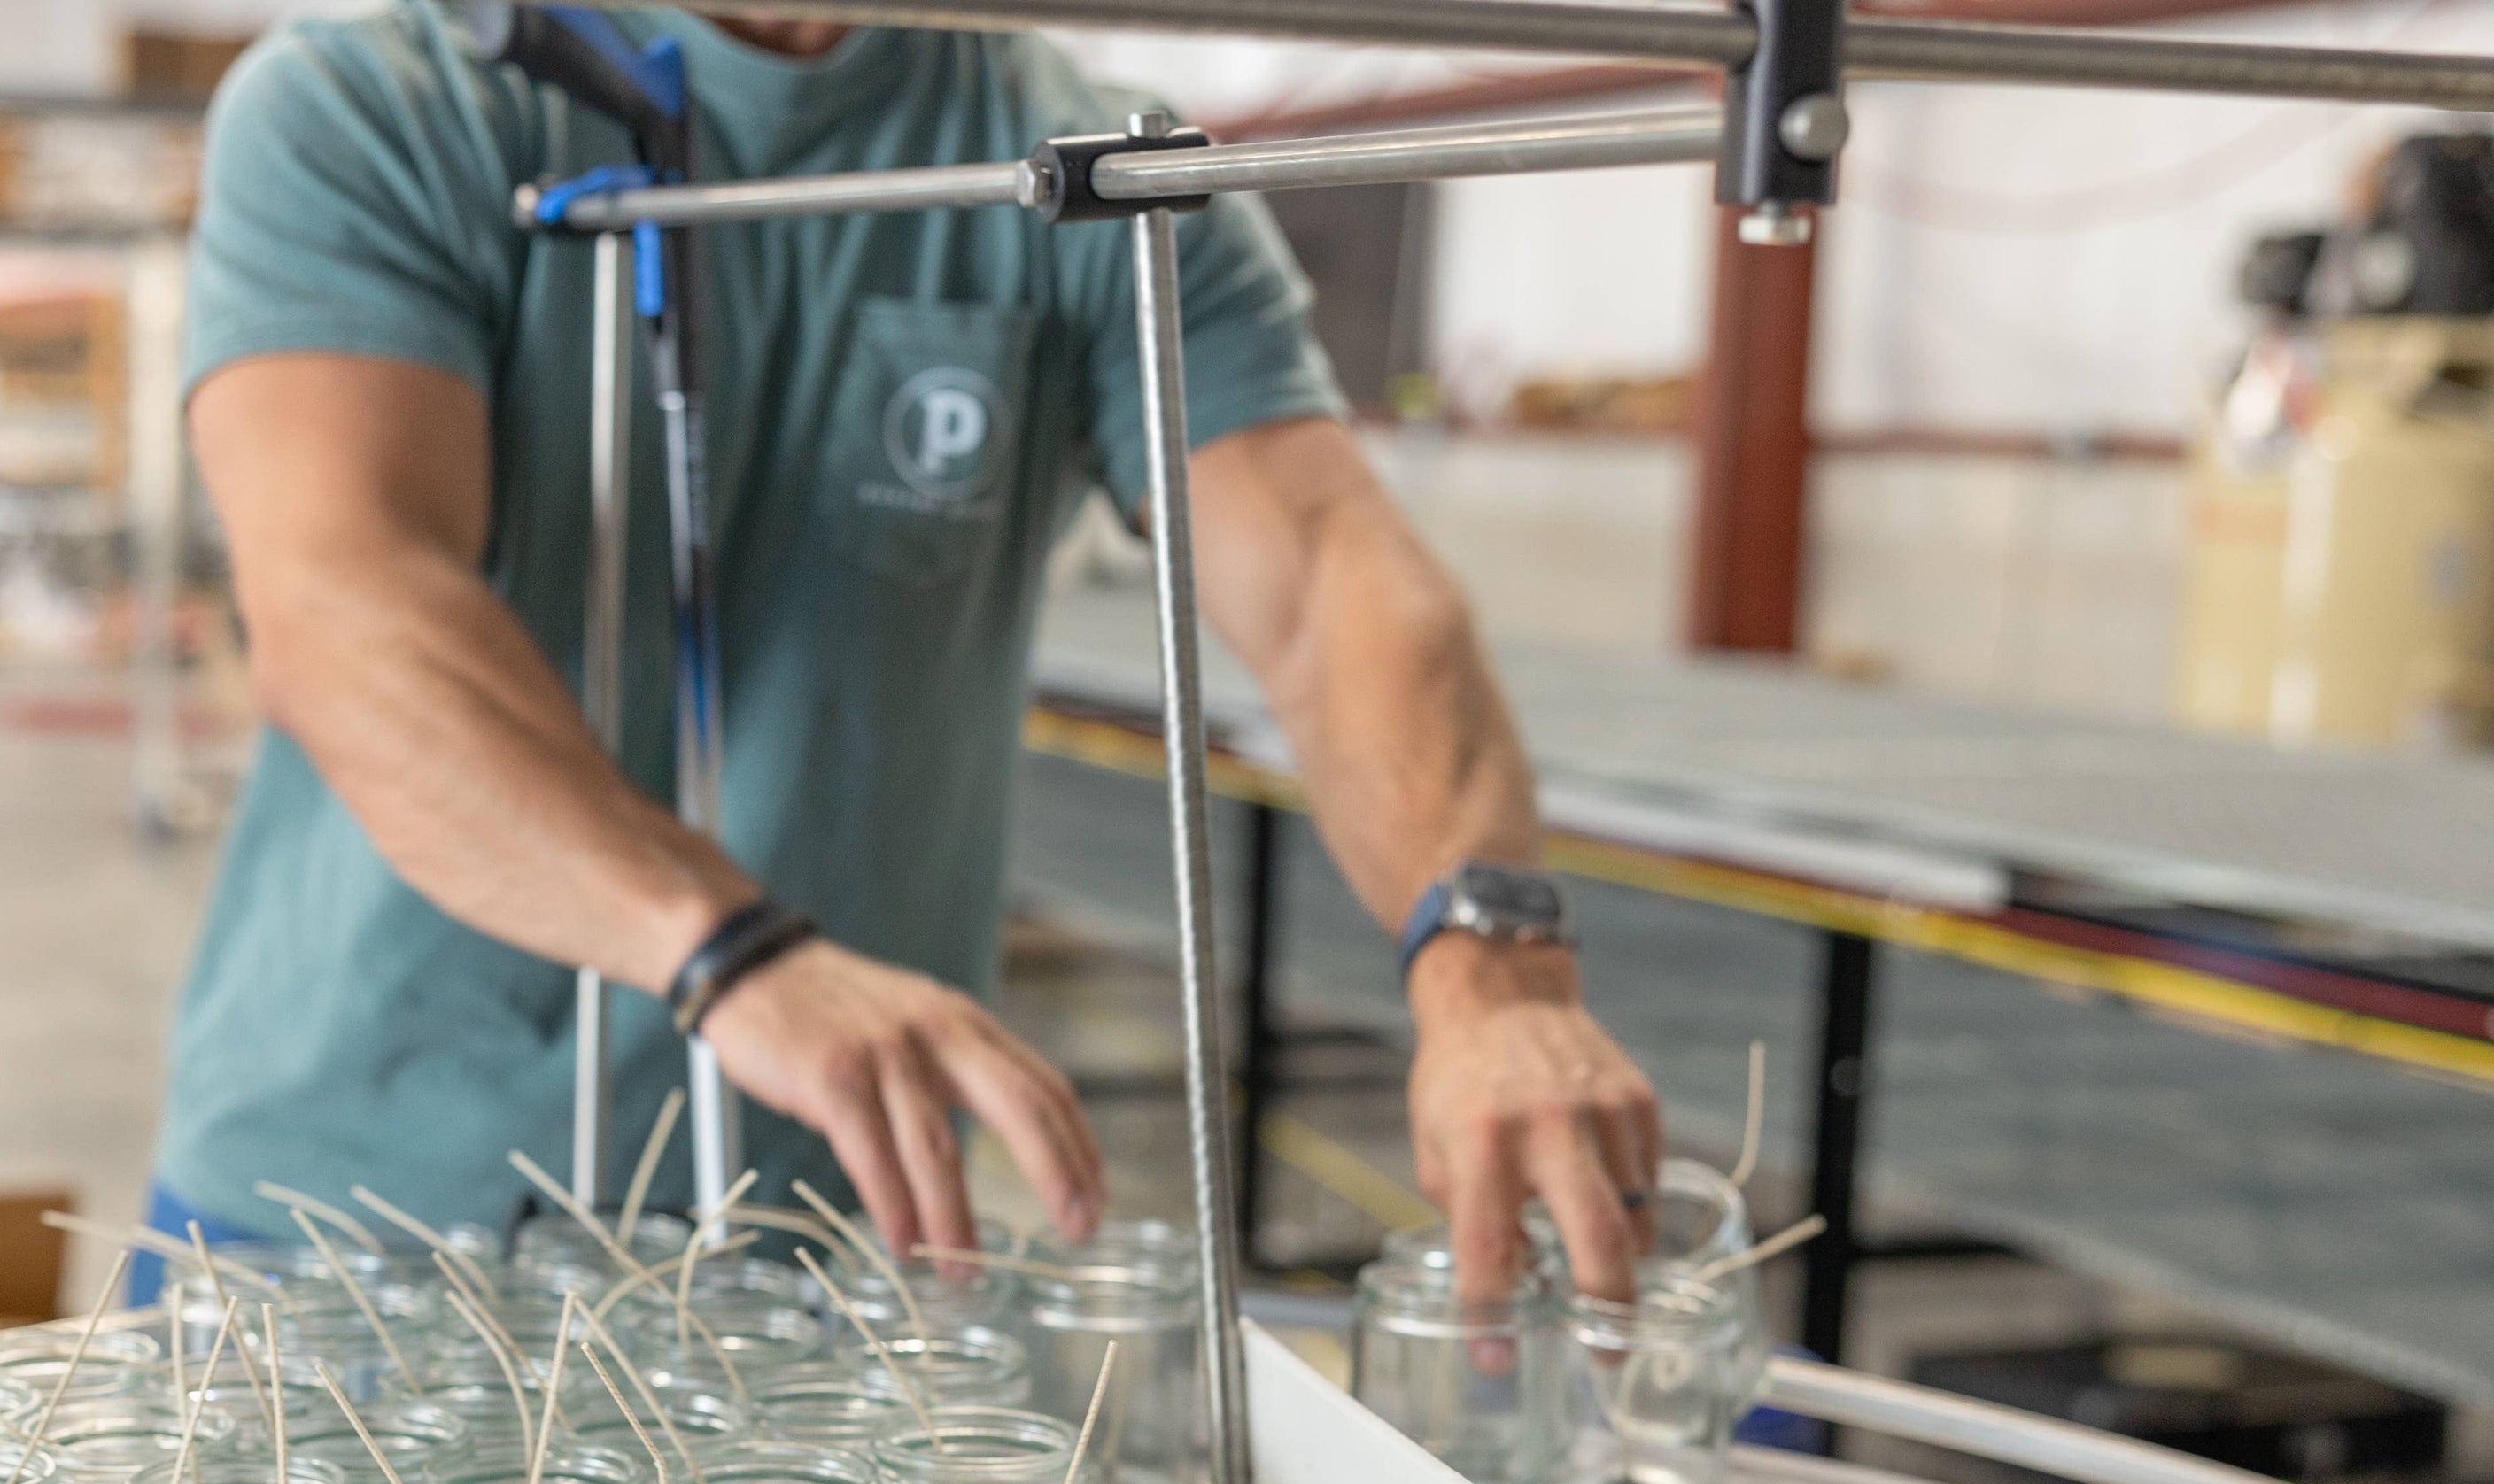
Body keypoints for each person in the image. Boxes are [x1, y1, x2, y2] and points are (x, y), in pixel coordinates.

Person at [153, 5, 1661, 1318]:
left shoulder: (1082, 160)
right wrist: (729, 945)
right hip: (344, 1232)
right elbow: (347, 606)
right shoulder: (383, 105)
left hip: (813, 1243)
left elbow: (1330, 577)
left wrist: (1493, 965)